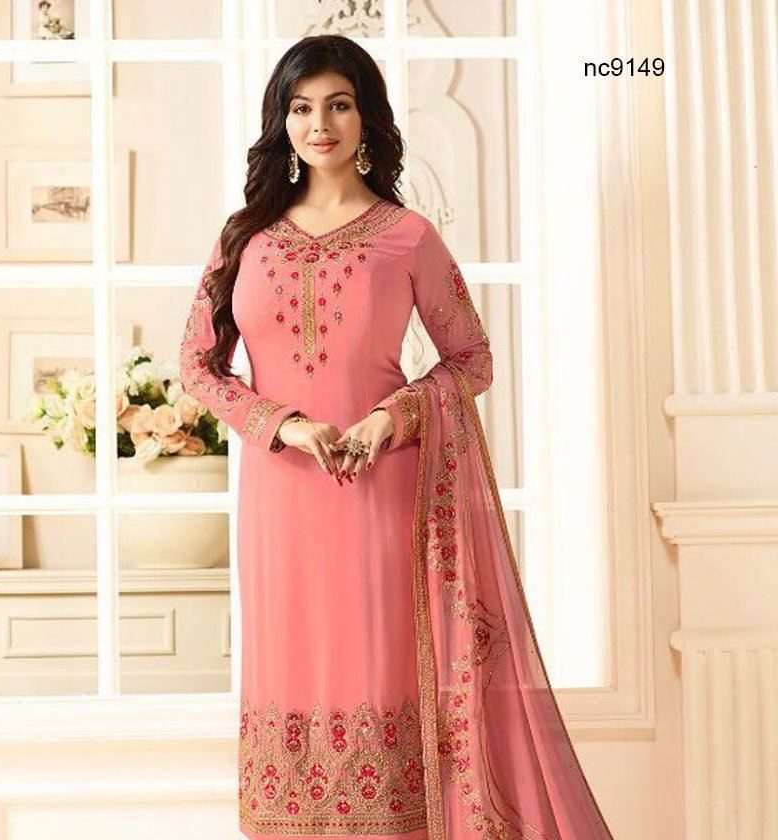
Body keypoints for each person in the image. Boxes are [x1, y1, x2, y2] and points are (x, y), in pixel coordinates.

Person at [179, 34, 616, 840]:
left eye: (338, 105)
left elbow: (472, 358)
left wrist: (394, 416)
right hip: (281, 504)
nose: (320, 124)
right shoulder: (245, 238)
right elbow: (198, 368)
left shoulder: (407, 236)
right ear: (281, 121)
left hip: (379, 500)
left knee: (377, 674)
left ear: (367, 118)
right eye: (301, 108)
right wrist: (283, 425)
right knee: (288, 677)